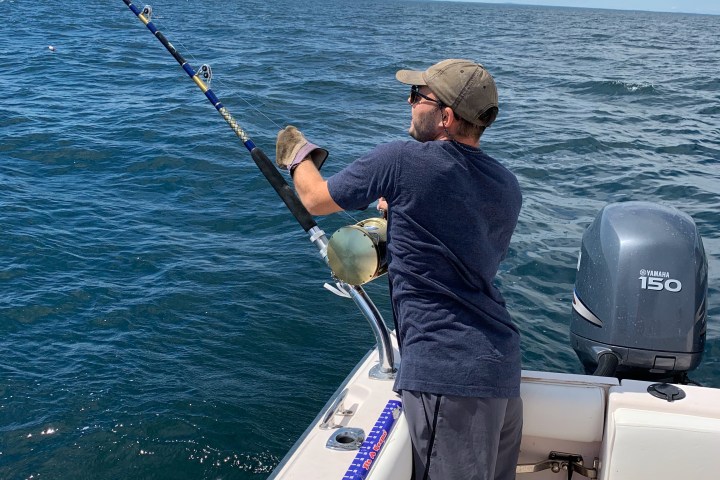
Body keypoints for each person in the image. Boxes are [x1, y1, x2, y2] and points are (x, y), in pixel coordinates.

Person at [275, 59, 523, 480]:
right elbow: (459, 243)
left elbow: (314, 198)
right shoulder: (507, 185)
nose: (409, 104)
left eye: (417, 97)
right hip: (500, 366)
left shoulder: (404, 160)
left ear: (444, 117)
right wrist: (404, 209)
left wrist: (298, 154)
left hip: (448, 374)